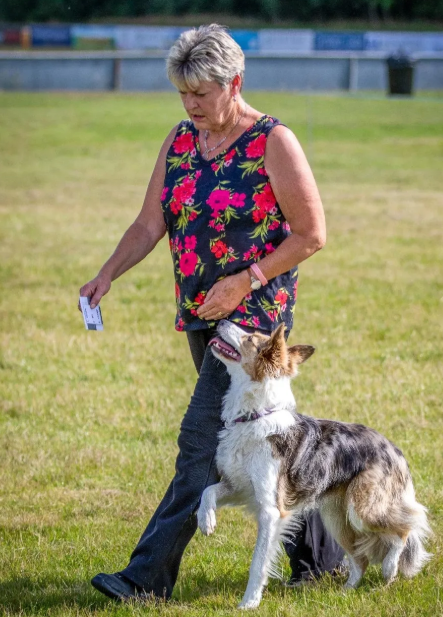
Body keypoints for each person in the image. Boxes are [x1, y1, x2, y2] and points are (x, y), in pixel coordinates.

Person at [81, 24, 345, 602]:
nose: (191, 104)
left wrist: (244, 280)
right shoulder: (180, 139)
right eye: (183, 93)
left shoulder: (274, 141)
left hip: (253, 319)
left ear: (235, 83)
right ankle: (320, 559)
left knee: (201, 442)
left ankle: (145, 580)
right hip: (201, 316)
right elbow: (151, 223)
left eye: (201, 92)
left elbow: (312, 234)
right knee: (267, 434)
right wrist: (107, 274)